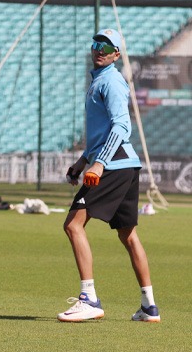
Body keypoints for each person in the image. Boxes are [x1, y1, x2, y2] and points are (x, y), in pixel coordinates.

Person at [57, 28, 160, 323]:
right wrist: (81, 162)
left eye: (107, 46)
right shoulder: (100, 80)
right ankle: (149, 306)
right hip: (124, 164)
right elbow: (102, 134)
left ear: (117, 54)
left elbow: (121, 127)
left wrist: (99, 163)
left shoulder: (112, 80)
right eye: (96, 43)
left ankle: (89, 299)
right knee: (128, 234)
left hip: (113, 166)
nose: (99, 48)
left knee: (73, 225)